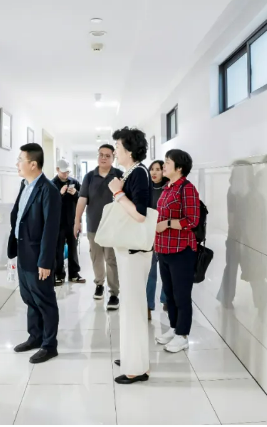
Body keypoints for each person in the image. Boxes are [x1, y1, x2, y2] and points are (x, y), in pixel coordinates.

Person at [8, 143, 61, 364]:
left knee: (44, 300)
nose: (17, 164)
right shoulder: (25, 185)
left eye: (20, 160)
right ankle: (35, 336)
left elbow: (51, 229)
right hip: (23, 252)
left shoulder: (49, 190)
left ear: (33, 164)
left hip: (38, 256)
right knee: (29, 297)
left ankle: (49, 345)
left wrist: (45, 262)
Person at [108, 127, 152, 385]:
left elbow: (140, 214)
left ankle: (136, 368)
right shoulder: (132, 172)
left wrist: (118, 193)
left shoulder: (139, 173)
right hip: (129, 251)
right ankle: (132, 358)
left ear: (130, 150)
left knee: (134, 308)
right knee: (130, 306)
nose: (115, 152)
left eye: (117, 147)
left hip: (135, 252)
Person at [154, 149, 200, 353]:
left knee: (181, 295)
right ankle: (174, 328)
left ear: (179, 168)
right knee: (169, 294)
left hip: (181, 250)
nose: (163, 166)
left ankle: (182, 335)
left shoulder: (187, 189)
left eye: (167, 162)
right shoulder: (167, 188)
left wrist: (167, 224)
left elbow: (192, 220)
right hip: (164, 248)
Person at [75, 144, 123, 309]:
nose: (103, 158)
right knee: (96, 258)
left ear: (113, 158)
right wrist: (77, 220)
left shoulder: (119, 175)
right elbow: (82, 199)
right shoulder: (89, 176)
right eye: (101, 155)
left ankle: (114, 293)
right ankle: (99, 284)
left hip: (113, 226)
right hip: (93, 224)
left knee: (111, 259)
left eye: (107, 155)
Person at [52, 158, 85, 285]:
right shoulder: (52, 184)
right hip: (58, 223)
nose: (66, 174)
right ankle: (59, 274)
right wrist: (60, 194)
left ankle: (74, 274)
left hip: (72, 221)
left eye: (67, 172)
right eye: (63, 171)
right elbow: (50, 204)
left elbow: (82, 200)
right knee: (58, 250)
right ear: (57, 169)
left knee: (73, 248)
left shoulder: (74, 182)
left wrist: (76, 193)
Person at [146, 160, 168, 319]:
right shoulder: (145, 188)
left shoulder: (168, 188)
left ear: (163, 171)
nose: (154, 172)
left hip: (165, 233)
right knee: (150, 271)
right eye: (152, 169)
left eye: (158, 169)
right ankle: (148, 304)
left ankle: (166, 299)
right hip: (149, 234)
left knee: (166, 270)